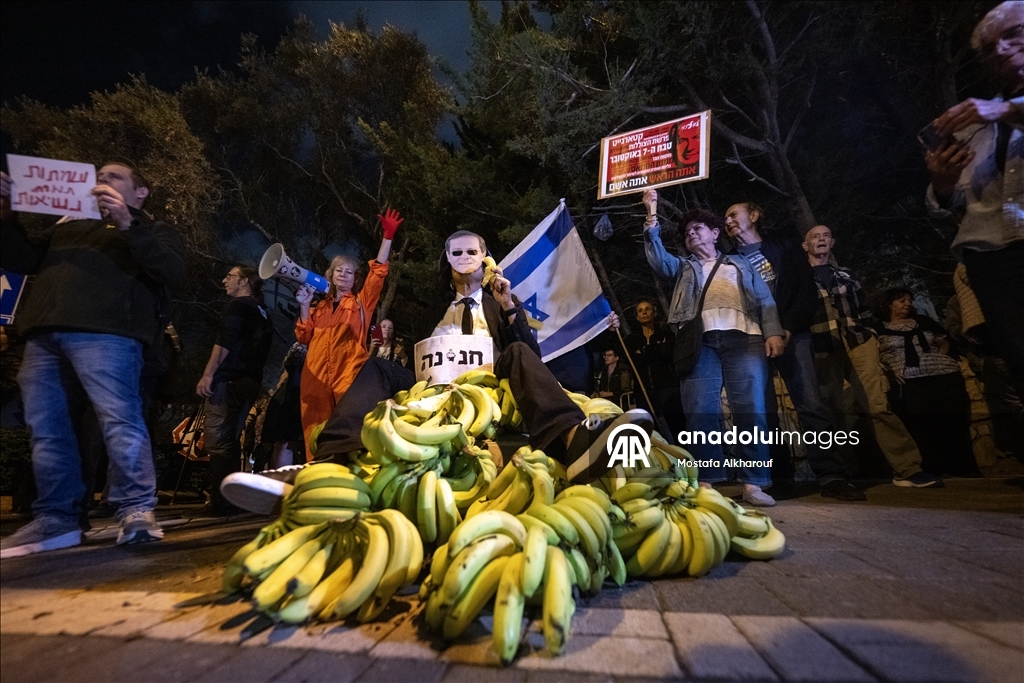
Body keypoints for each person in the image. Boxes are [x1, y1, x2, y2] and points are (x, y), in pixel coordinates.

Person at [221, 229, 650, 512]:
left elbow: (530, 351)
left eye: (473, 251)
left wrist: (508, 307)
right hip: (434, 389)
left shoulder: (500, 302)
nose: (465, 257)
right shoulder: (433, 307)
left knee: (519, 355)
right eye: (457, 251)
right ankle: (330, 461)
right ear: (447, 258)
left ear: (485, 258)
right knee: (379, 368)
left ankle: (577, 441)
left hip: (489, 386)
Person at [0, 163, 185, 558]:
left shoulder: (151, 228)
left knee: (119, 420)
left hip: (108, 334)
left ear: (140, 193)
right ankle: (57, 519)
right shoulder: (66, 225)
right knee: (48, 432)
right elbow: (22, 259)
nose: (103, 181)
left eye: (115, 177)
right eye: (99, 176)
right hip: (44, 335)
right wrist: (6, 215)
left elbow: (170, 269)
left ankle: (136, 509)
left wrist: (126, 224)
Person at [643, 190, 784, 507]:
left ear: (716, 233)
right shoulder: (684, 267)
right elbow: (657, 259)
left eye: (698, 228)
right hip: (701, 344)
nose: (692, 233)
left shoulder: (741, 263)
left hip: (745, 339)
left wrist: (772, 331)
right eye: (688, 231)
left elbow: (764, 300)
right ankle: (707, 481)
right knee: (700, 412)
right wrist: (651, 212)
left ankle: (754, 482)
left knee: (751, 410)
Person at [724, 202, 863, 501]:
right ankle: (780, 478)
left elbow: (805, 292)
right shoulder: (729, 261)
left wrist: (786, 329)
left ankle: (832, 476)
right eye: (725, 218)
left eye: (734, 214)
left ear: (755, 216)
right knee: (765, 413)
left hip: (793, 336)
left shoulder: (786, 249)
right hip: (751, 342)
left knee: (810, 404)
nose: (728, 221)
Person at [925, 1, 1024, 403]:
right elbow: (947, 203)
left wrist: (1002, 110)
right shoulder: (977, 128)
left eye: (1013, 35)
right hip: (994, 259)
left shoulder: (990, 112)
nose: (1000, 50)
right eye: (989, 48)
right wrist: (942, 183)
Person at [803, 225, 942, 488]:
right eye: (814, 237)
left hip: (858, 340)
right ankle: (843, 473)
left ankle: (907, 469)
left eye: (825, 236)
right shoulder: (800, 277)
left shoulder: (846, 274)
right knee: (831, 410)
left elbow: (864, 309)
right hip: (822, 342)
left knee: (877, 403)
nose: (820, 240)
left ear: (832, 242)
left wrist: (869, 333)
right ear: (805, 245)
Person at [294, 209, 402, 459]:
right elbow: (303, 337)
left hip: (350, 376)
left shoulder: (361, 304)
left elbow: (377, 274)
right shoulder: (317, 307)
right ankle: (317, 480)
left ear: (355, 280)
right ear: (329, 276)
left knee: (352, 433)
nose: (343, 275)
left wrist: (387, 237)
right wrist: (303, 305)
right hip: (316, 380)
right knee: (314, 435)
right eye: (338, 271)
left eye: (349, 272)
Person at [874, 288, 982, 478]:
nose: (907, 303)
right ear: (889, 304)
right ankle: (932, 467)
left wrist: (938, 357)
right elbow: (879, 355)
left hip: (941, 373)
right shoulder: (879, 329)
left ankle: (963, 466)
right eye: (901, 300)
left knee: (952, 420)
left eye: (909, 300)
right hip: (908, 378)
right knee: (920, 422)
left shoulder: (923, 322)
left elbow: (944, 340)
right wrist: (891, 370)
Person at [193, 265, 273, 516]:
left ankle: (221, 500)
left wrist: (208, 374)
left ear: (245, 282)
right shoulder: (262, 312)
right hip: (250, 382)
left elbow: (225, 341)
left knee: (217, 440)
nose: (224, 279)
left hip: (229, 381)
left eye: (230, 276)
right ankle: (232, 498)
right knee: (230, 440)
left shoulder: (238, 306)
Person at [623, 300, 686, 438]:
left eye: (647, 309)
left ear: (654, 312)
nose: (644, 312)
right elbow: (633, 360)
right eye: (640, 310)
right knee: (651, 431)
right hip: (643, 390)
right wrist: (657, 350)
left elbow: (668, 353)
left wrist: (645, 351)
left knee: (678, 427)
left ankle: (685, 456)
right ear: (637, 317)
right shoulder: (631, 339)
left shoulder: (665, 334)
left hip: (667, 388)